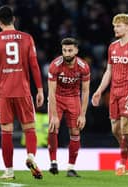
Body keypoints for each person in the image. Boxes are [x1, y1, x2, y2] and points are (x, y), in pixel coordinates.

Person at [0, 5, 44, 180]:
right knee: (29, 128)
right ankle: (31, 156)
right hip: (23, 89)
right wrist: (39, 89)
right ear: (14, 19)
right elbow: (34, 65)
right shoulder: (27, 38)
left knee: (6, 131)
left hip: (3, 91)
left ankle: (9, 171)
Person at [91, 13, 128, 176]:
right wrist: (99, 90)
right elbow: (108, 71)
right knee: (116, 130)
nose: (115, 28)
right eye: (115, 25)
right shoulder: (112, 47)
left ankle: (122, 164)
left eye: (119, 25)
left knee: (125, 128)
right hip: (114, 94)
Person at [47, 38, 90, 177]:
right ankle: (53, 163)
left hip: (73, 99)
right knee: (53, 127)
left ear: (76, 51)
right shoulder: (55, 65)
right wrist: (53, 115)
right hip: (57, 98)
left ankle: (71, 168)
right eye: (64, 50)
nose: (67, 53)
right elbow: (51, 92)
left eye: (70, 50)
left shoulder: (84, 67)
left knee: (75, 132)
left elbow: (85, 91)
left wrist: (83, 114)